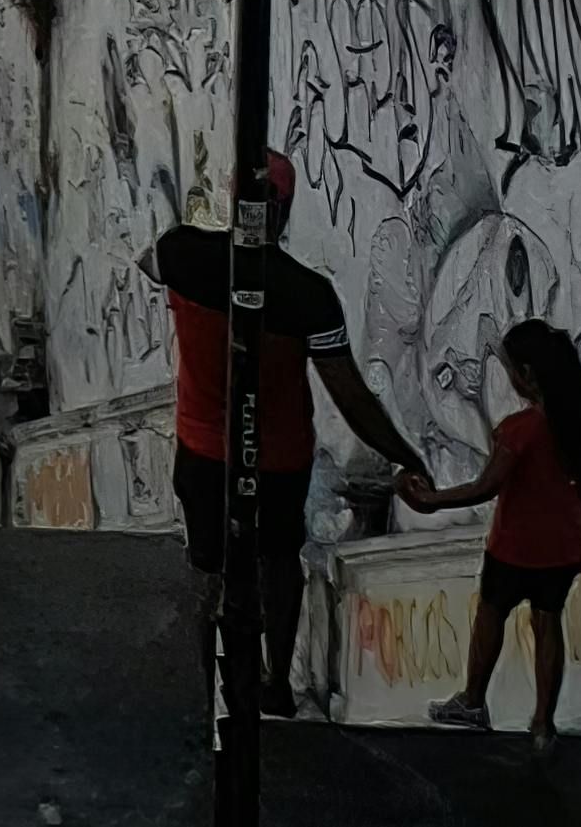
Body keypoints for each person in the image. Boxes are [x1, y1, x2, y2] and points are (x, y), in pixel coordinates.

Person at [145, 153, 429, 718]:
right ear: (286, 209)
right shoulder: (308, 294)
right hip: (276, 460)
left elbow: (147, 262)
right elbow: (350, 396)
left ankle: (200, 690)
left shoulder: (181, 254)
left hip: (202, 450)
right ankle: (275, 680)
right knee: (279, 562)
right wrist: (404, 455)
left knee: (205, 570)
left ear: (234, 200)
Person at [407, 321, 581, 744]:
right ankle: (543, 723)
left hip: (514, 548)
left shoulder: (521, 429)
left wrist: (432, 500)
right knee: (548, 624)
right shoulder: (577, 423)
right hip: (562, 548)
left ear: (527, 375)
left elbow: (486, 486)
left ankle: (473, 700)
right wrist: (580, 535)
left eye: (510, 367)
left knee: (491, 616)